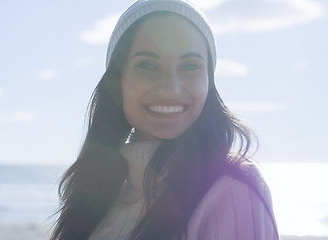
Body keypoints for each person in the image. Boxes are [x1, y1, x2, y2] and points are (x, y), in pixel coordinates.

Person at [50, 0, 279, 239]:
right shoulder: (99, 195)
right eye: (147, 65)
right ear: (117, 82)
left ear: (208, 83)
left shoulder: (232, 188)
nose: (171, 87)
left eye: (190, 66)